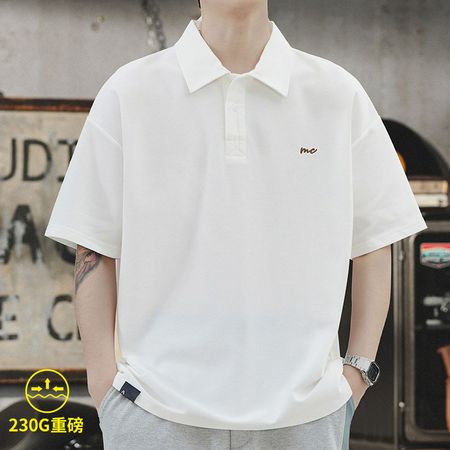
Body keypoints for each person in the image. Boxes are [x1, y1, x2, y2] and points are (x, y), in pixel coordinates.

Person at [44, 1, 427, 449]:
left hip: (306, 418)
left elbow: (374, 241)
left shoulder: (337, 94)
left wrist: (356, 373)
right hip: (153, 414)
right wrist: (104, 387)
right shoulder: (129, 93)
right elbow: (93, 245)